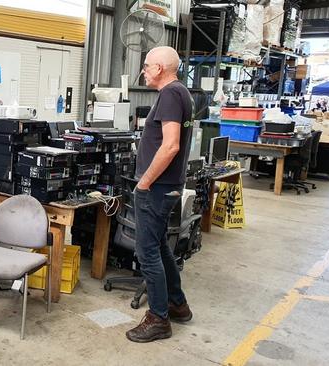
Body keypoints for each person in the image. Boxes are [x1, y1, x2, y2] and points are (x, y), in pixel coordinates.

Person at [125, 46, 194, 343]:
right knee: (159, 247)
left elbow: (170, 146)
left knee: (147, 252)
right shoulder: (181, 93)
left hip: (156, 188)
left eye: (146, 65)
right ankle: (177, 304)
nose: (143, 70)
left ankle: (158, 319)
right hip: (166, 187)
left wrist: (145, 182)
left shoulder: (169, 94)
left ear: (159, 68)